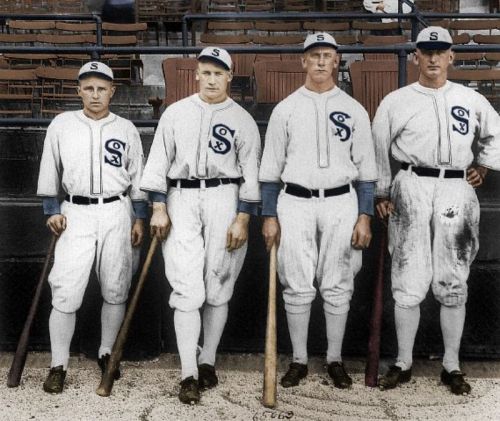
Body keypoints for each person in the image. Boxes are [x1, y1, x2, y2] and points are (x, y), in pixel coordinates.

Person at [373, 26, 500, 395]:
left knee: (453, 277)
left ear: (451, 57)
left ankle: (451, 364)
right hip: (411, 182)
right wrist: (382, 191)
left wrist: (484, 166)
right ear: (416, 57)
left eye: (440, 51)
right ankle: (403, 362)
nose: (433, 58)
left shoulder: (470, 98)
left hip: (456, 185)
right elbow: (378, 146)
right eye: (426, 52)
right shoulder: (396, 100)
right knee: (408, 275)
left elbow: (495, 133)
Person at [140, 47, 261, 404]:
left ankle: (208, 360)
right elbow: (158, 163)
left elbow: (251, 175)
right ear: (196, 74)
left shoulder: (242, 119)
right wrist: (158, 207)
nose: (211, 79)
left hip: (226, 196)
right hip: (182, 197)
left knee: (219, 283)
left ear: (229, 76)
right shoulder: (175, 113)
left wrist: (243, 218)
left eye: (218, 73)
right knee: (186, 287)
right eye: (206, 72)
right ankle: (188, 373)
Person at [259, 33, 377, 389]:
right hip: (294, 201)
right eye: (314, 55)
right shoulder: (286, 109)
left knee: (338, 283)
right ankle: (298, 360)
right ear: (303, 61)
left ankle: (334, 359)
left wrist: (365, 215)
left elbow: (367, 171)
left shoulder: (354, 109)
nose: (321, 61)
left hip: (341, 200)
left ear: (337, 61)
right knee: (296, 283)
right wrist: (269, 216)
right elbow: (270, 170)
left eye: (327, 55)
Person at [37, 61, 148, 394]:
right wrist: (51, 209)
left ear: (112, 91)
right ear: (79, 91)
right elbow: (49, 168)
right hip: (76, 211)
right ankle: (58, 364)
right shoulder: (62, 124)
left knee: (116, 286)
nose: (95, 94)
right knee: (66, 290)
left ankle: (106, 353)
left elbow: (138, 176)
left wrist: (139, 217)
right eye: (89, 88)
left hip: (117, 209)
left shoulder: (126, 128)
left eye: (102, 88)